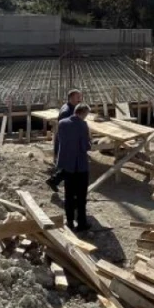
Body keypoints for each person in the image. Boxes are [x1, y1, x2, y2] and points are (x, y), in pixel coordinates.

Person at [56, 103, 92, 232]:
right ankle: (82, 223)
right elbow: (85, 146)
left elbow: (60, 140)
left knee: (69, 194)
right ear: (83, 113)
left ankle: (70, 221)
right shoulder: (82, 125)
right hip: (80, 165)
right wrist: (90, 142)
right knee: (81, 196)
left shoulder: (62, 123)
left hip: (67, 164)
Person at [46, 89, 83, 192]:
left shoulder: (72, 108)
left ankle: (53, 181)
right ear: (71, 98)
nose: (80, 99)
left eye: (80, 97)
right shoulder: (66, 111)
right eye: (78, 97)